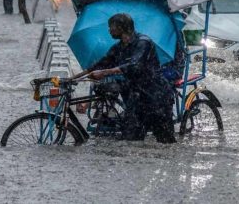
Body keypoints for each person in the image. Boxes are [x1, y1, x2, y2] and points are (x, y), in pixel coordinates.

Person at [74, 13, 177, 144]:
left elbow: (134, 65)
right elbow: (101, 63)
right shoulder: (119, 47)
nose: (109, 30)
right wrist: (74, 78)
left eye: (111, 27)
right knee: (132, 140)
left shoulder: (143, 42)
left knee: (166, 142)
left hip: (156, 97)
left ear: (122, 28)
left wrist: (104, 72)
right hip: (137, 98)